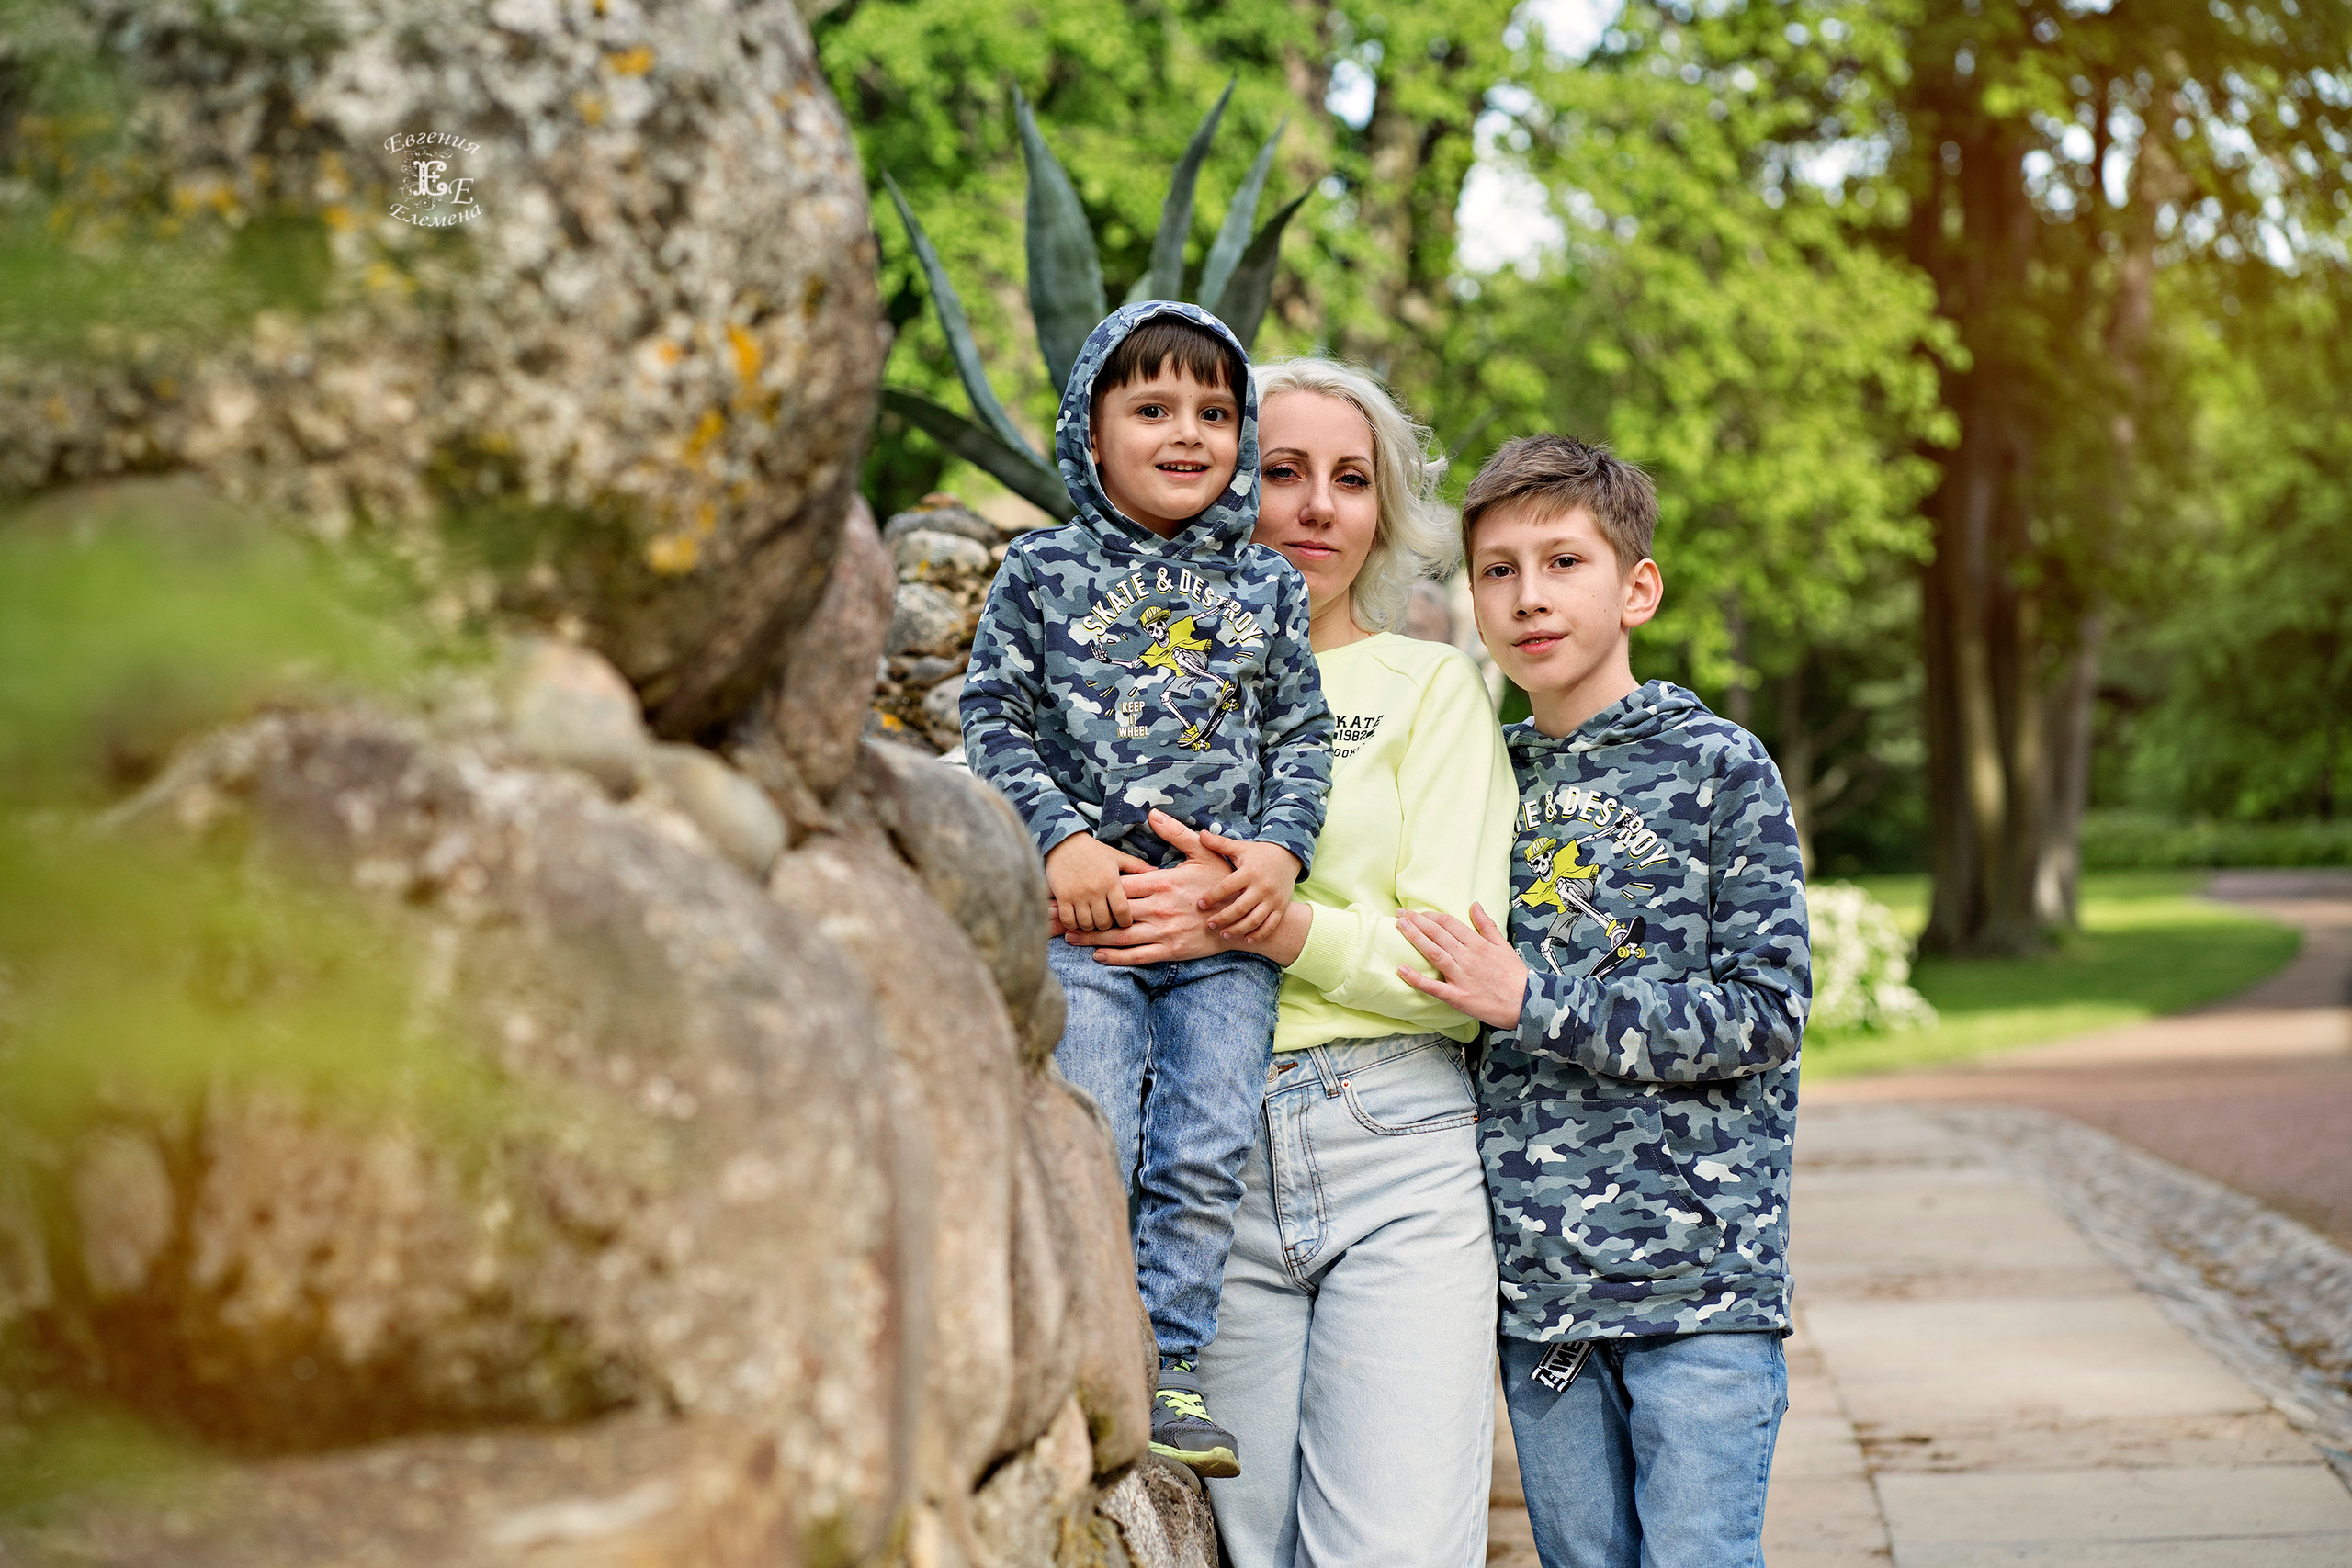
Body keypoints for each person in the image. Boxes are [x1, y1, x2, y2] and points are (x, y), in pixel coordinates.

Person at [1064, 357, 1516, 1565]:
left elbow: (1457, 969)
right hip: (1205, 1165)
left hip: (1392, 1148)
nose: (1318, 505)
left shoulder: (1428, 689)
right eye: (1282, 471)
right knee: (1243, 1548)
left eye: (1351, 479)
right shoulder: (1130, 687)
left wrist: (1266, 924)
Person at [1394, 434, 1812, 1568]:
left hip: (1701, 1287)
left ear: (1637, 589)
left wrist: (1534, 1000)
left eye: (1563, 562)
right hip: (1541, 1298)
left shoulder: (1721, 767)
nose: (1528, 597)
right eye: (1497, 570)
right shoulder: (1474, 772)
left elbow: (1765, 1012)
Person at [960, 302, 1333, 1476]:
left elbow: (1301, 737)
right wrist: (1058, 842)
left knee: (1205, 1149)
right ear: (1091, 429)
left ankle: (1168, 1368)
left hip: (1223, 933)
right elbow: (992, 715)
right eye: (1153, 408)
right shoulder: (1041, 571)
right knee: (1098, 1136)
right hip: (1091, 926)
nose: (1187, 434)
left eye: (1214, 414)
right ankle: (1083, 1357)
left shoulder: (1267, 586)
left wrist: (1279, 854)